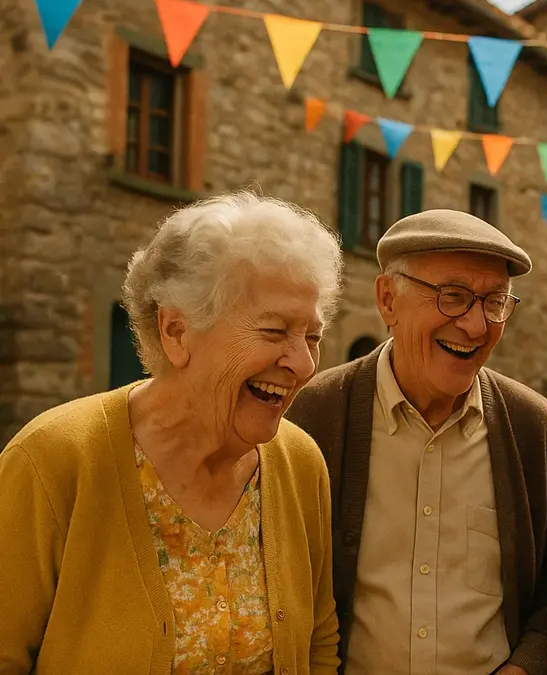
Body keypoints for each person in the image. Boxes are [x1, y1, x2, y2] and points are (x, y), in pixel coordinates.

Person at [0, 192, 343, 673]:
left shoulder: (300, 463)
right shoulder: (52, 461)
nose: (303, 364)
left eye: (312, 336)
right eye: (274, 332)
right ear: (176, 331)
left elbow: (319, 643)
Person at [285, 209, 547, 675]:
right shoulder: (314, 416)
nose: (477, 326)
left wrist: (525, 666)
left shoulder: (532, 428)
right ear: (387, 300)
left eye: (495, 302)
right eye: (454, 297)